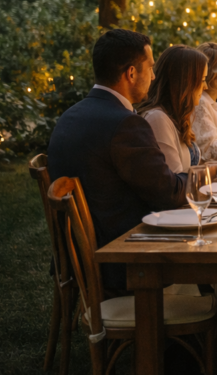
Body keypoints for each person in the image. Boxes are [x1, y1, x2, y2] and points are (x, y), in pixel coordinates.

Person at [47, 29, 185, 286]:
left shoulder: (70, 116)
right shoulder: (124, 124)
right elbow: (168, 194)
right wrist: (205, 177)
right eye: (150, 68)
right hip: (123, 259)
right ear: (131, 74)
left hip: (77, 257)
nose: (154, 76)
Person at [137, 45, 208, 174]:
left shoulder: (176, 115)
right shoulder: (157, 119)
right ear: (185, 83)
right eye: (202, 80)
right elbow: (175, 178)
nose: (206, 87)